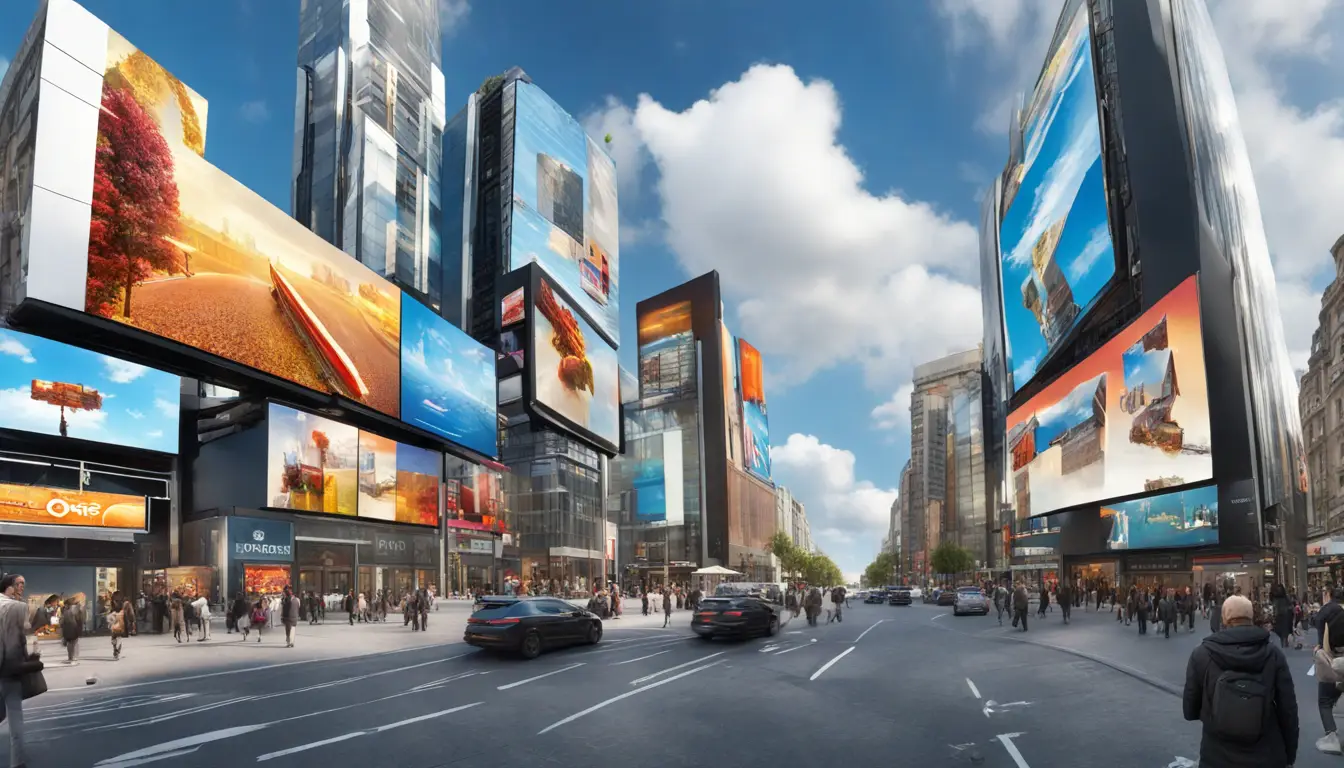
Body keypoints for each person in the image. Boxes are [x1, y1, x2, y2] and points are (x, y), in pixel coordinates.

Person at [1183, 595, 1298, 767]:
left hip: (1217, 756)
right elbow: (1288, 710)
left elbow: (1189, 711)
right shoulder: (1273, 654)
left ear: (1224, 618)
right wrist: (1289, 755)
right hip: (1266, 755)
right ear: (1251, 618)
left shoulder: (1201, 654)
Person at [0, 573, 30, 767]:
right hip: (8, 669)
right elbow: (17, 642)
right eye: (19, 584)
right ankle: (17, 762)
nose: (22, 588)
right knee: (15, 718)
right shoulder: (17, 607)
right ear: (9, 587)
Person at [1314, 586, 1344, 755]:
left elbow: (1322, 642)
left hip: (1335, 660)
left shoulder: (1325, 612)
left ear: (1328, 596)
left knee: (1325, 700)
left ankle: (1331, 736)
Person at [59, 597, 82, 664]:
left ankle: (71, 657)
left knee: (70, 643)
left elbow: (61, 622)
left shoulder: (65, 611)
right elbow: (79, 618)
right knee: (74, 643)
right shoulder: (72, 610)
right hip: (73, 628)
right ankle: (74, 657)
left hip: (68, 629)